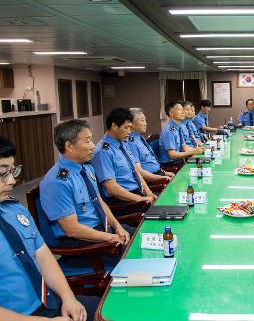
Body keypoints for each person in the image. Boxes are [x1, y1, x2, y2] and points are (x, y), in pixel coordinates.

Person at [0, 136, 99, 321]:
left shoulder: (15, 210)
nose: (12, 181)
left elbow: (43, 256)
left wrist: (67, 297)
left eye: (13, 171)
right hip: (22, 316)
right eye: (2, 173)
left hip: (48, 302)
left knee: (108, 310)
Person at [40, 120, 135, 250]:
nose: (93, 146)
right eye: (87, 141)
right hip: (83, 242)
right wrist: (111, 238)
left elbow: (99, 201)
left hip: (102, 229)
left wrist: (118, 227)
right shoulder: (56, 182)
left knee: (143, 235)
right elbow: (72, 230)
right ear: (69, 146)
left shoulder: (86, 168)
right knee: (137, 250)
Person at [91, 108, 156, 205]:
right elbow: (111, 188)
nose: (129, 131)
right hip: (123, 202)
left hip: (138, 193)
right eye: (126, 128)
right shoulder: (103, 152)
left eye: (130, 127)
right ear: (114, 126)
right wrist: (140, 199)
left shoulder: (123, 143)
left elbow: (136, 172)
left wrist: (149, 194)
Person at [127, 108, 175, 182]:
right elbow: (139, 172)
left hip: (159, 173)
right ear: (132, 124)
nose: (145, 123)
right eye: (142, 120)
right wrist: (161, 178)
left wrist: (164, 173)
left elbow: (151, 162)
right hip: (152, 180)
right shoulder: (131, 143)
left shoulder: (140, 138)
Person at [159, 101, 204, 167]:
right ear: (171, 113)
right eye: (179, 110)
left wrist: (199, 149)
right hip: (172, 165)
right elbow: (172, 155)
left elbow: (184, 147)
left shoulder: (178, 128)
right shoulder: (169, 130)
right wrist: (193, 152)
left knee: (206, 160)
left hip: (180, 160)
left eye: (182, 110)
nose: (183, 112)